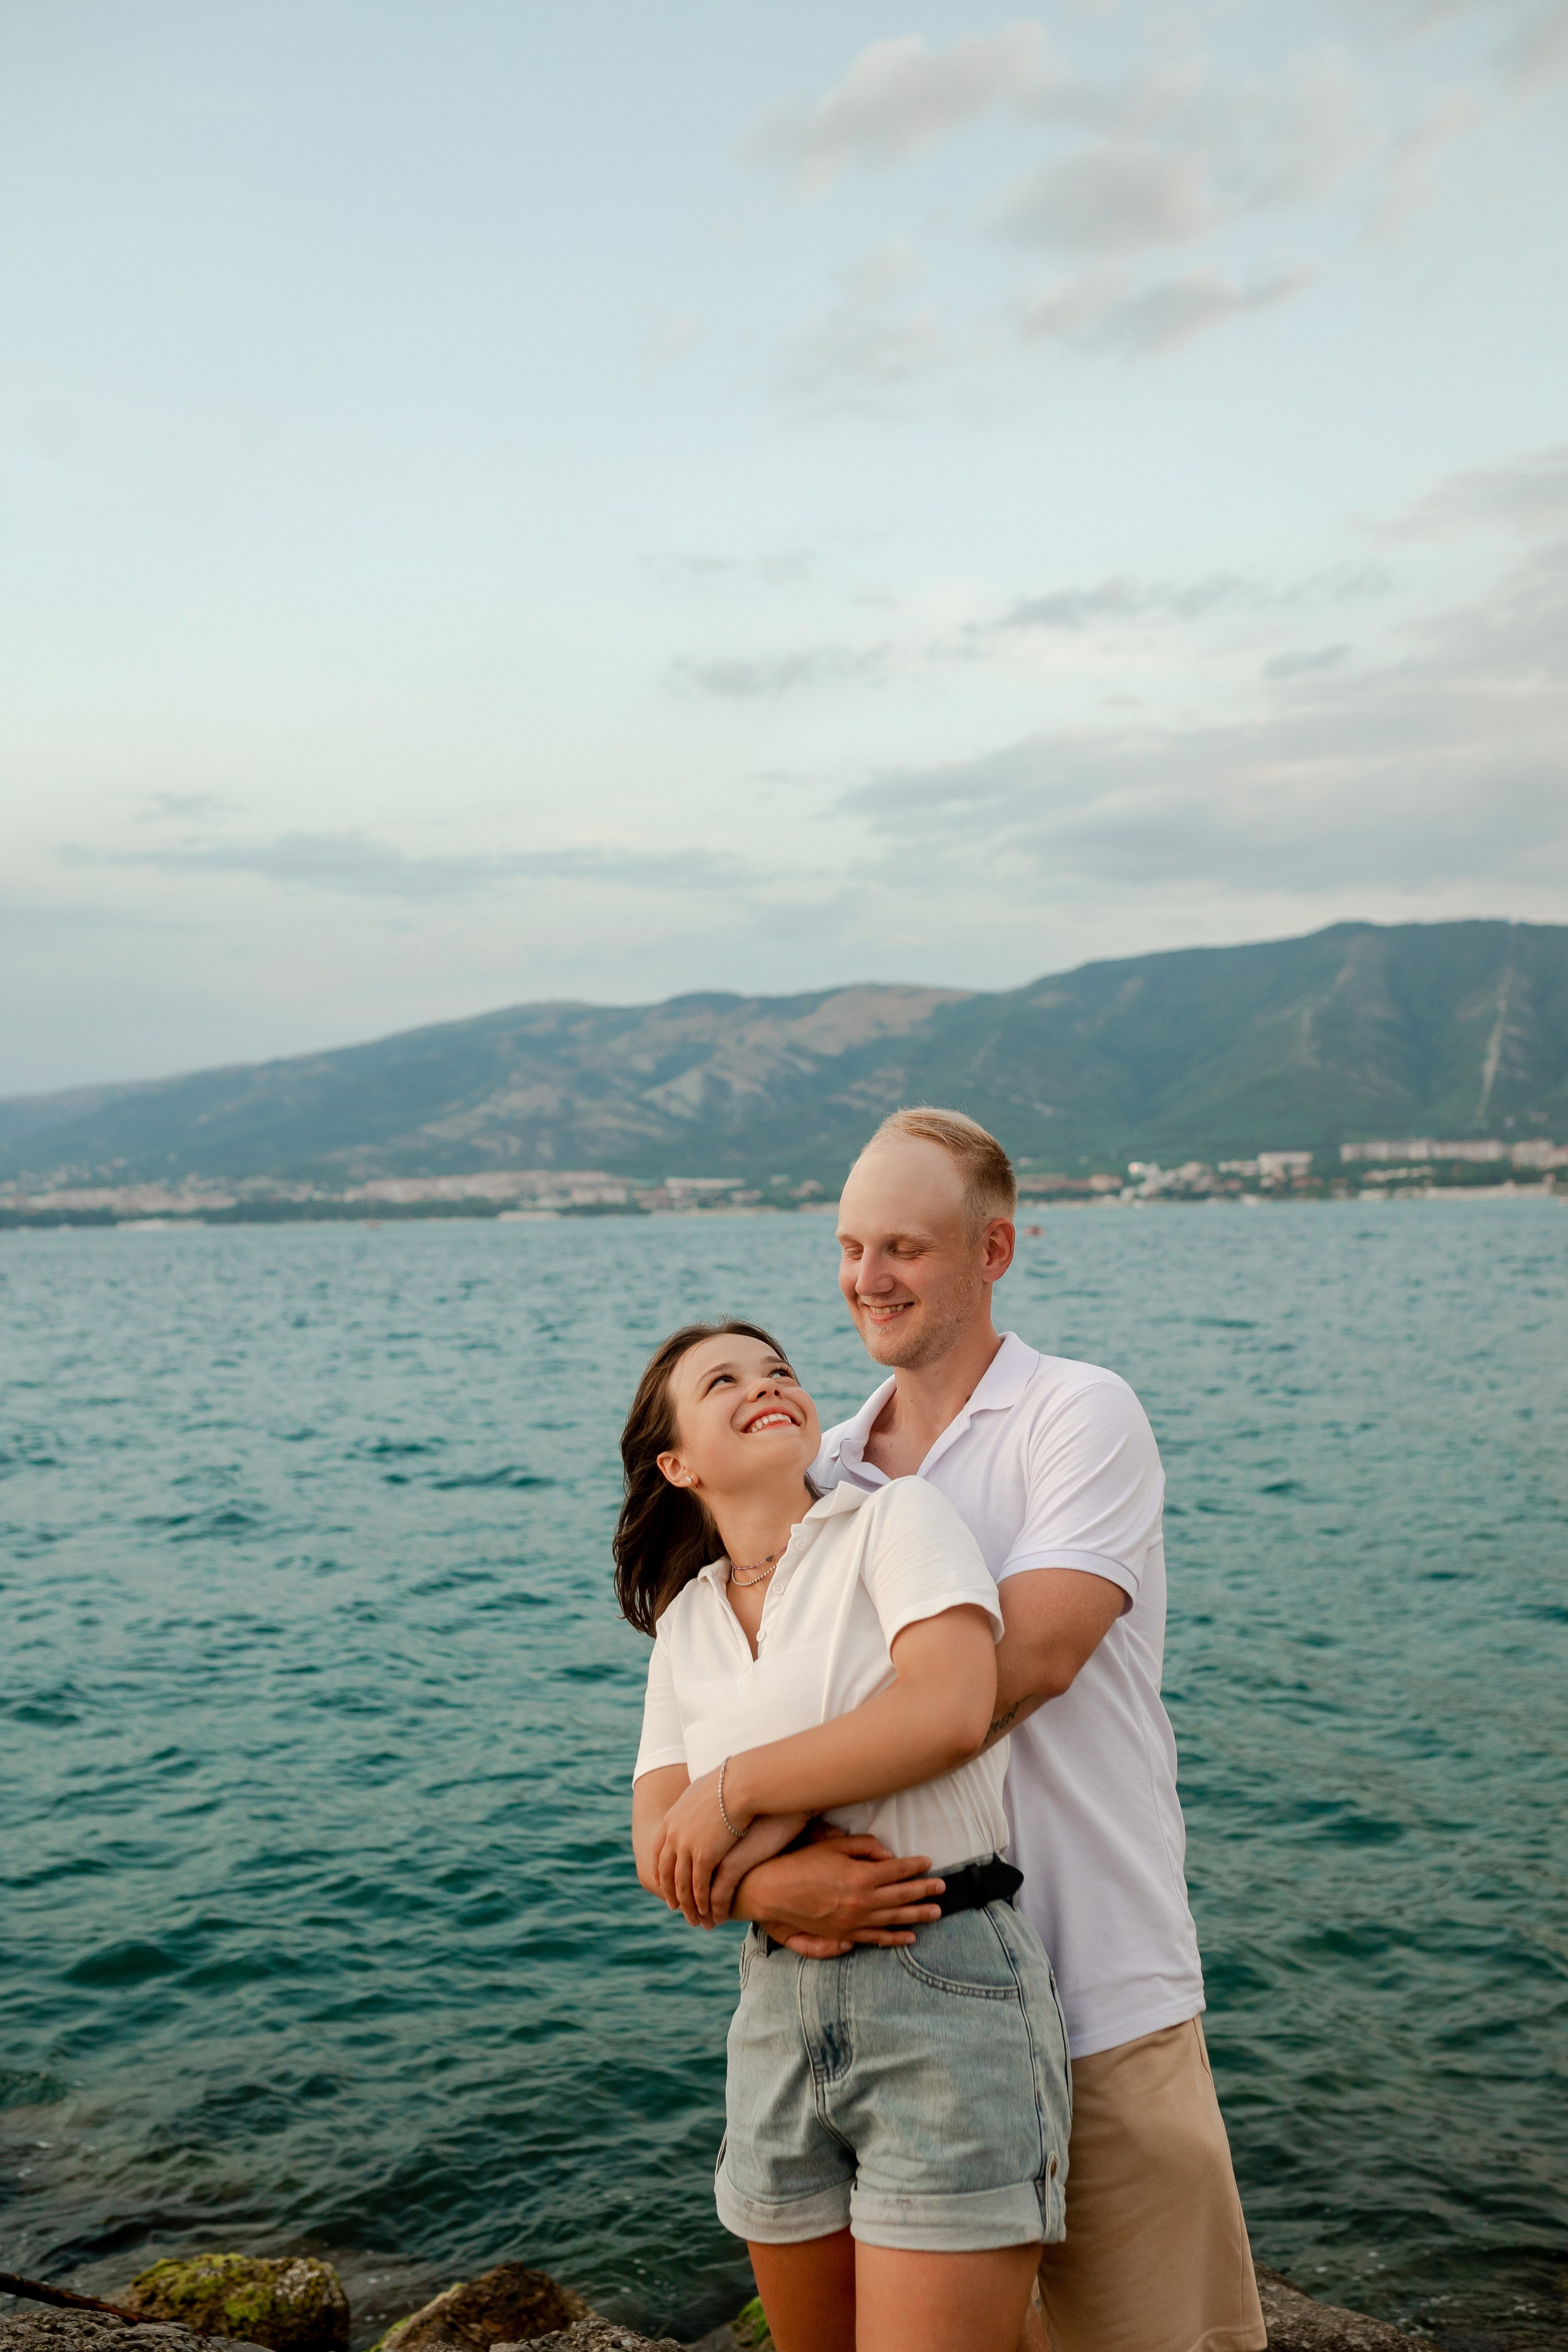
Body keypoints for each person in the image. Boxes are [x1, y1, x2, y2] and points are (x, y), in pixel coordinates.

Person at [726, 1109, 1268, 2352]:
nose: (868, 1278)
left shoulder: (1077, 1415)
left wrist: (735, 1823)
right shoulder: (824, 1473)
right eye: (850, 1246)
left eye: (904, 1247)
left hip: (1097, 1988)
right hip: (902, 2015)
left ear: (993, 1251)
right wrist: (759, 1883)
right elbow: (758, 1706)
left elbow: (1012, 1673)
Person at [617, 1319, 1072, 2352]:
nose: (767, 1384)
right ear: (678, 1464)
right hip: (773, 2009)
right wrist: (771, 1892)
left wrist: (737, 1791)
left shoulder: (895, 1519)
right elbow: (658, 1848)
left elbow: (949, 1710)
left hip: (946, 1984)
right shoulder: (687, 1622)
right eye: (723, 1381)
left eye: (778, 1369)